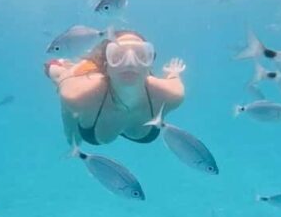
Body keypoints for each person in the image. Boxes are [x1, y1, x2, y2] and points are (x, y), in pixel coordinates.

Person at [45, 30, 185, 145]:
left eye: (141, 55)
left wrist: (173, 72)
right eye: (118, 55)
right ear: (107, 65)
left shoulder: (171, 94)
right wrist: (69, 122)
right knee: (63, 72)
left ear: (149, 65)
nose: (130, 63)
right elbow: (63, 83)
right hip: (86, 79)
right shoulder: (78, 95)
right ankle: (61, 64)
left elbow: (174, 79)